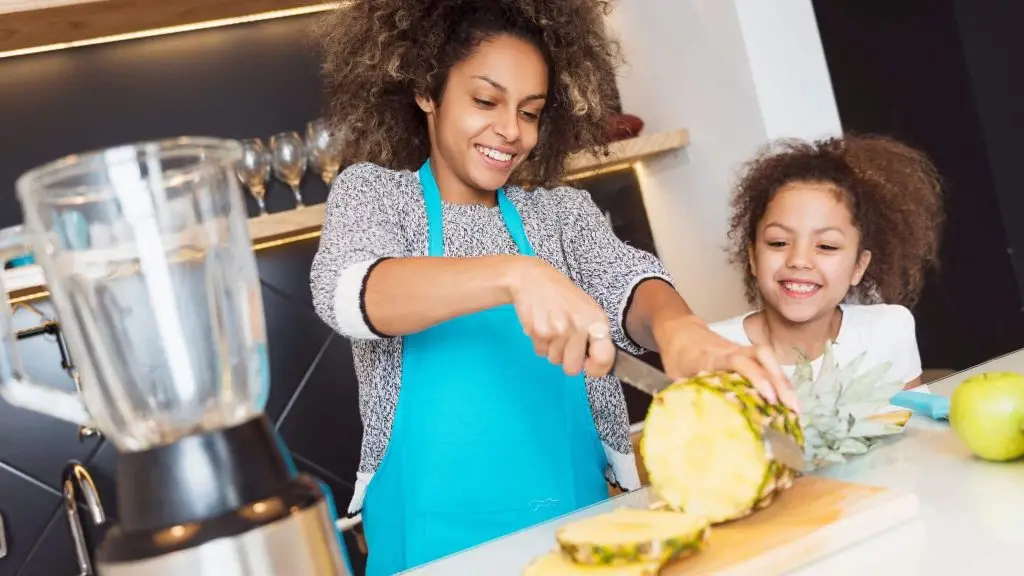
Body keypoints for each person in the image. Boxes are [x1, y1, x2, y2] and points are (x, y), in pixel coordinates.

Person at [309, 1, 796, 572]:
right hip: (434, 549)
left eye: (531, 111)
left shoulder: (560, 215)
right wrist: (515, 274)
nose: (511, 131)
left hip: (580, 532)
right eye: (485, 101)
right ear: (426, 90)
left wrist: (681, 330)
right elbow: (349, 292)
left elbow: (627, 281)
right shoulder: (377, 197)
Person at [708, 134, 945, 392]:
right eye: (778, 242)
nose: (799, 260)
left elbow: (916, 428)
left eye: (826, 246)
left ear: (858, 267)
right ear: (753, 257)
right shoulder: (710, 350)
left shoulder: (888, 330)